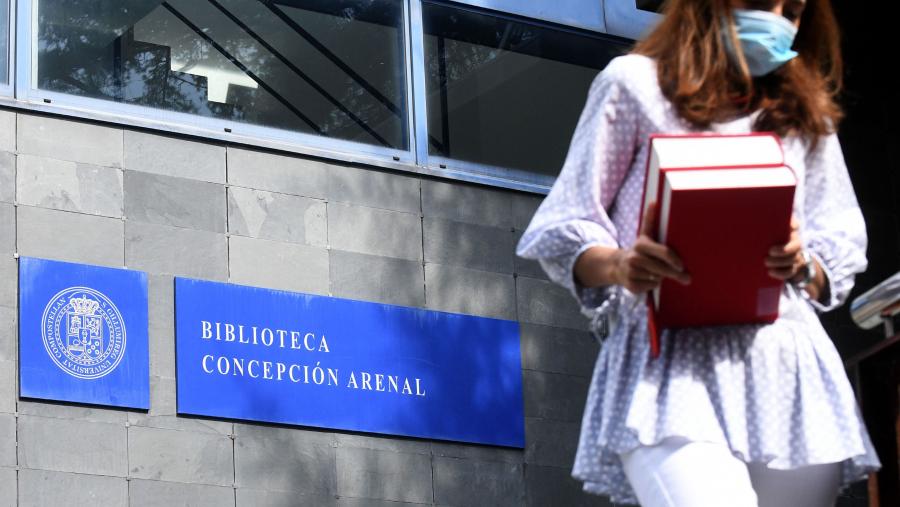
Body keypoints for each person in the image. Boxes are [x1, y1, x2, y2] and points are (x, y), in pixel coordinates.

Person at [516, 0, 881, 505]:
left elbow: (839, 243)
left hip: (788, 374)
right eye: (759, 1)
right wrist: (621, 263)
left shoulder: (804, 113)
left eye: (793, 10)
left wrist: (803, 263)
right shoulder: (634, 85)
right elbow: (566, 222)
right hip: (670, 370)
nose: (776, 17)